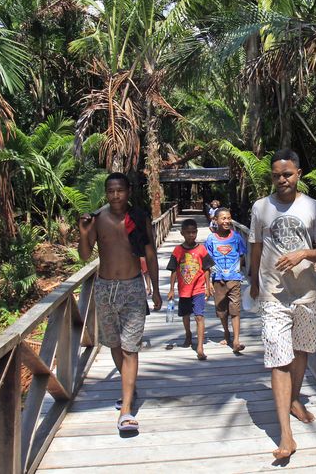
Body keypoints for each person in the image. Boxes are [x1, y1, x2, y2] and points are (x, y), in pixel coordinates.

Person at [248, 149, 316, 459]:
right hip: (273, 295)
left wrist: (303, 254)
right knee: (278, 359)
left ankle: (295, 398)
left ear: (298, 174)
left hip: (306, 294)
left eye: (287, 174)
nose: (282, 179)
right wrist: (253, 281)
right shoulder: (260, 208)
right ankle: (286, 434)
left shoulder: (313, 207)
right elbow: (255, 247)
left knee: (301, 354)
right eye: (276, 175)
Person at [78, 172, 162, 433]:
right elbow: (83, 256)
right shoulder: (98, 218)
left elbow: (150, 253)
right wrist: (82, 233)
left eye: (120, 191)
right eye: (111, 191)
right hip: (105, 289)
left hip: (133, 287)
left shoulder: (139, 217)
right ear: (106, 192)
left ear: (128, 192)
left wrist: (156, 289)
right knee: (114, 344)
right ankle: (129, 385)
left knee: (130, 348)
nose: (115, 196)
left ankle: (126, 410)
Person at [166, 218, 215, 360]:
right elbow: (173, 270)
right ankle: (188, 333)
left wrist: (207, 286)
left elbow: (206, 269)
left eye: (194, 232)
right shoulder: (177, 250)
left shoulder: (201, 249)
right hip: (183, 289)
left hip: (198, 288)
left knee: (199, 316)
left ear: (197, 232)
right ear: (182, 233)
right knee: (186, 315)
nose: (191, 235)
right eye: (188, 233)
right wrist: (171, 289)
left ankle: (200, 347)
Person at [205, 207, 248, 353]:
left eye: (229, 218)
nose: (227, 221)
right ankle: (226, 332)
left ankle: (236, 340)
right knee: (221, 310)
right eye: (223, 218)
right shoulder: (211, 239)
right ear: (215, 220)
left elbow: (242, 254)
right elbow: (207, 260)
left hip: (234, 279)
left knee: (235, 309)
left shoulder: (236, 237)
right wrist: (209, 280)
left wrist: (237, 269)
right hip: (218, 280)